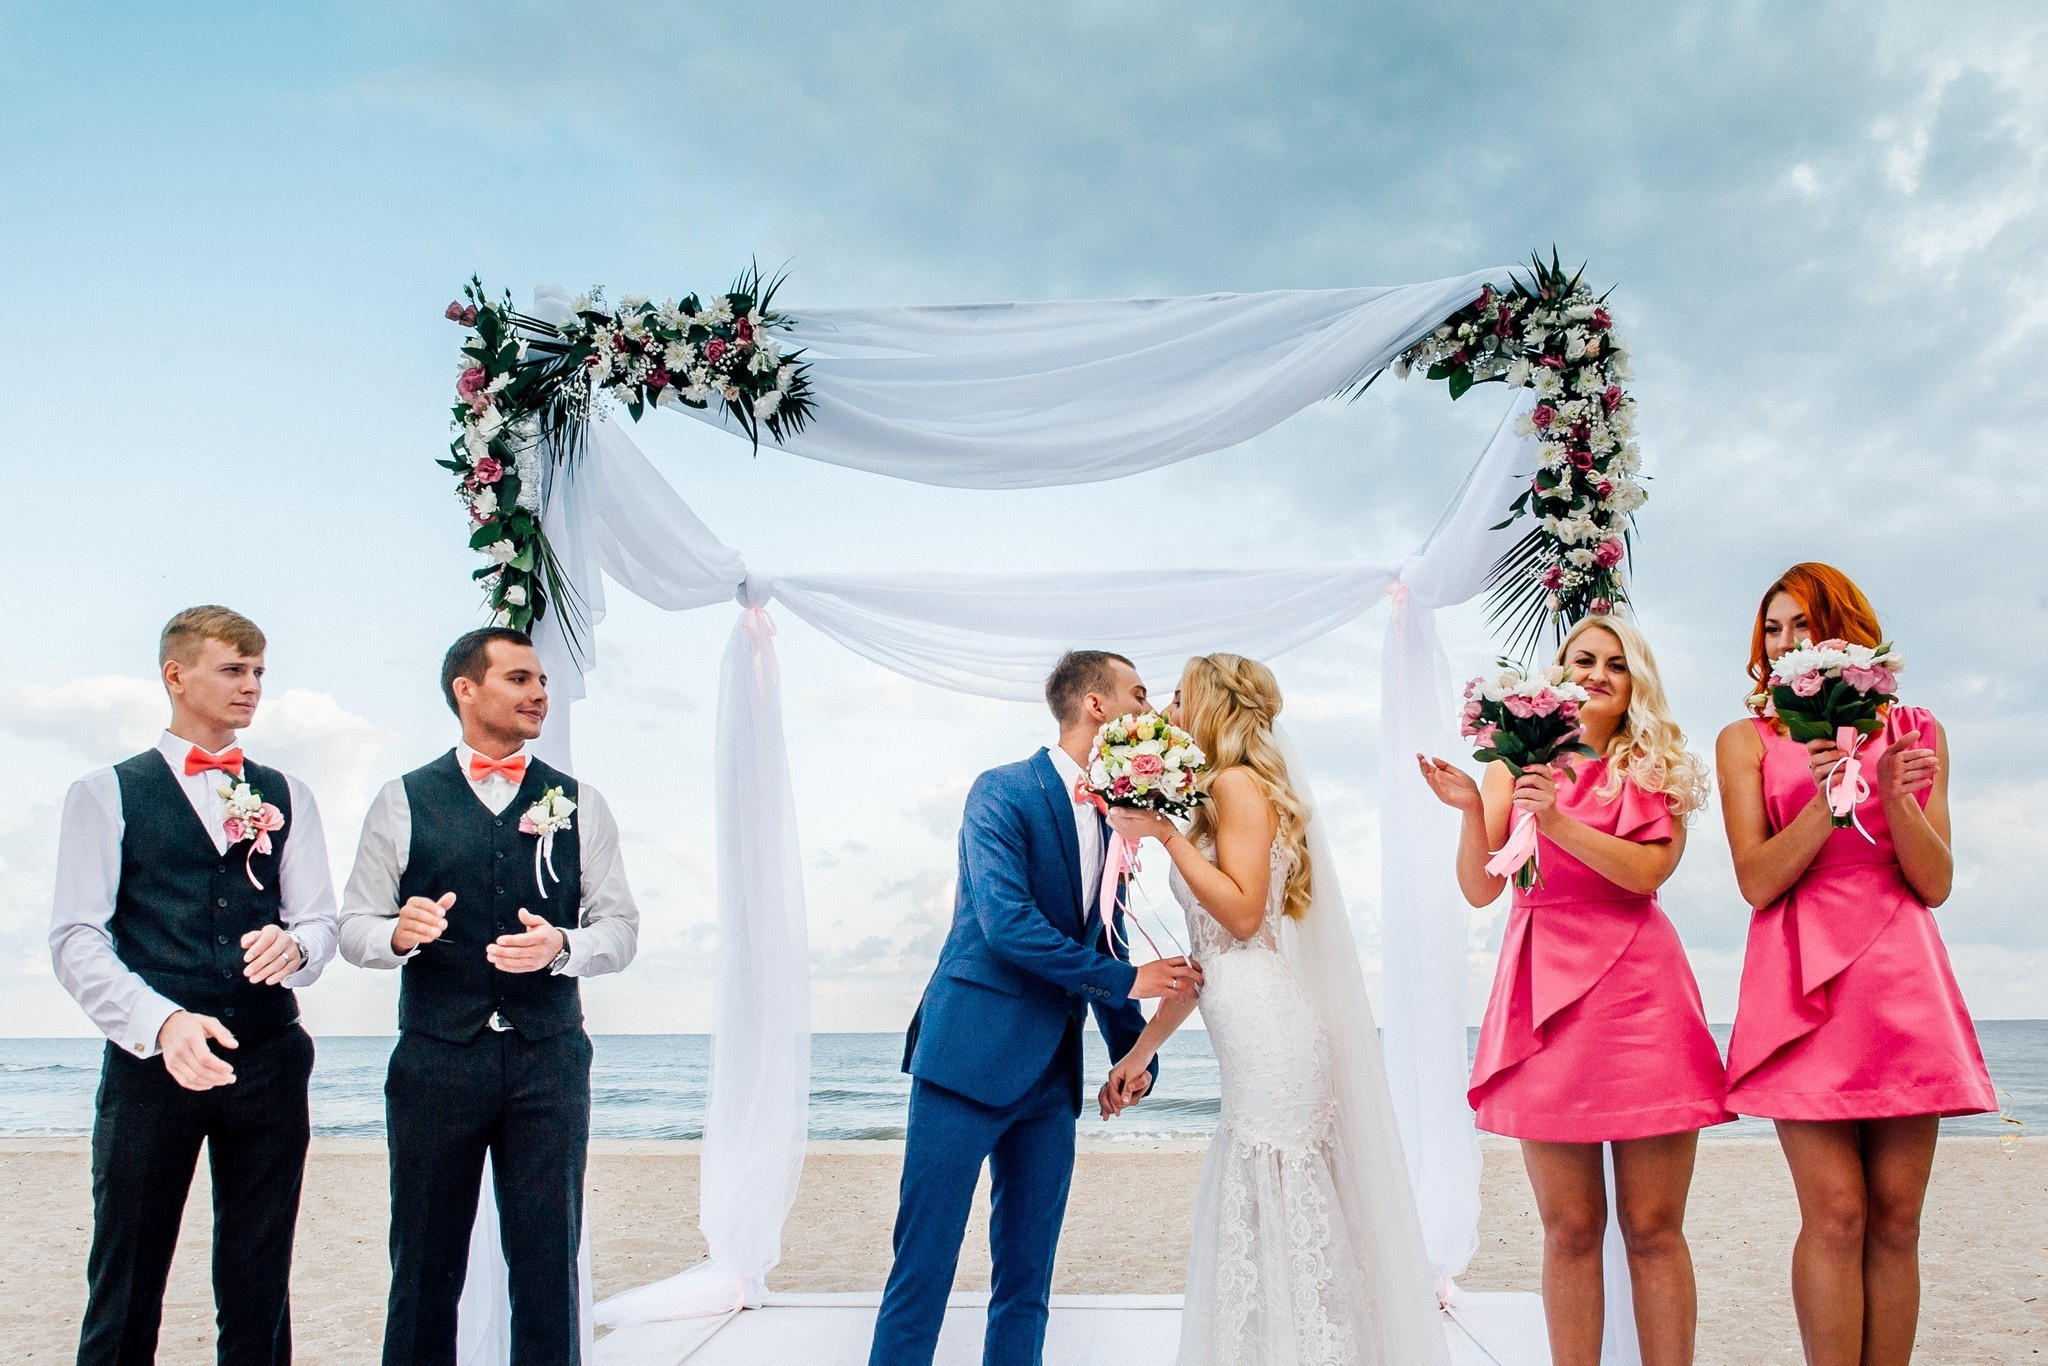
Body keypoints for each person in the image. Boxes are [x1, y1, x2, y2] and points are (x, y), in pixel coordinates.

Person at [1105, 653, 1449, 1366]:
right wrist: (1140, 1053)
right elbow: (1207, 963)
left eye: (1180, 697)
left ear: (1214, 706)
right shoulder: (1217, 795)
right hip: (1249, 1019)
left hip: (1272, 1036)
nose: (1167, 711)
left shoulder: (1237, 784)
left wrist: (1165, 836)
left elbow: (1238, 919)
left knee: (1285, 1203)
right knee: (1265, 1209)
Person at [868, 649, 1201, 1366]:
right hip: (964, 1059)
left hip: (1052, 1078)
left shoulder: (1118, 821)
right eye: (1139, 693)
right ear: (1096, 705)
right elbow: (1007, 925)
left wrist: (1132, 1055)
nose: (1150, 708)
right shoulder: (1000, 790)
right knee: (922, 1269)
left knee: (1027, 1280)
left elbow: (1104, 937)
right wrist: (1130, 982)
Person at [1419, 614, 1725, 1366]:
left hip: (1643, 995)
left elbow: (1644, 874)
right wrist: (1473, 810)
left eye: (1617, 665)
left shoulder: (1653, 766)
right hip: (1543, 993)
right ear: (1555, 679)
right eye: (1583, 659)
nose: (1598, 674)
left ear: (1635, 684)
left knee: (1653, 1229)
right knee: (1570, 1228)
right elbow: (1481, 889)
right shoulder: (1511, 763)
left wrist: (1553, 819)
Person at [340, 626, 640, 1366]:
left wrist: (563, 945)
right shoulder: (401, 800)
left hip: (549, 1060)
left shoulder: (582, 803)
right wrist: (398, 935)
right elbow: (353, 927)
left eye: (541, 681)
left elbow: (620, 929)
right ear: (466, 690)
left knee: (548, 1262)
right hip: (436, 1059)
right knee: (423, 1262)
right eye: (519, 678)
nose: (539, 694)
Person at [1717, 564, 1993, 1366]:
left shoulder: (1916, 727)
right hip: (1800, 974)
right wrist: (1825, 799)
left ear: (1843, 630)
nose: (1785, 644)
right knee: (1836, 1213)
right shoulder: (1746, 739)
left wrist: (1894, 795)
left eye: (1801, 625)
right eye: (1772, 629)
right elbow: (1757, 882)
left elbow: (1935, 883)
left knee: (1898, 1217)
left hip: (1901, 980)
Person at [50, 605, 340, 1366]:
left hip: (270, 1057)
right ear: (176, 676)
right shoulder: (105, 792)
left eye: (259, 672)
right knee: (127, 1277)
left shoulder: (289, 794)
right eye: (233, 669)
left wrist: (295, 946)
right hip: (152, 1067)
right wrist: (160, 1021)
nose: (252, 686)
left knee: (258, 1283)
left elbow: (320, 922)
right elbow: (76, 937)